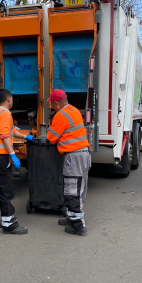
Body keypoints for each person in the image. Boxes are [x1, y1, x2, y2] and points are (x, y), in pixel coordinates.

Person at [0, 88, 33, 234]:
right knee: (5, 189)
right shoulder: (5, 114)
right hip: (0, 158)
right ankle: (9, 223)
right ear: (9, 99)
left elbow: (11, 131)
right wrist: (12, 154)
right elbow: (5, 136)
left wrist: (25, 137)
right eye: (12, 99)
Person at [47, 89, 89, 236]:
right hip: (83, 154)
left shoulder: (60, 115)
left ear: (56, 103)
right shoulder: (74, 110)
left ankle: (78, 225)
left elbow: (51, 137)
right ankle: (72, 217)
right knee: (79, 187)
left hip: (74, 156)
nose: (51, 106)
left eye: (51, 103)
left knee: (72, 190)